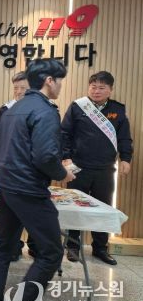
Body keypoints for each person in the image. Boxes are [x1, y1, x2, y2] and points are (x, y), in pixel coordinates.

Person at [0, 59, 75, 301]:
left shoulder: (15, 108)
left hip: (6, 186)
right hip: (28, 188)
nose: (60, 86)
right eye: (59, 80)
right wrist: (62, 173)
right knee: (51, 251)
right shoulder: (45, 111)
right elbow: (45, 156)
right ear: (49, 80)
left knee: (3, 246)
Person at [61, 71, 133, 265]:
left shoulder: (118, 110)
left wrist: (126, 159)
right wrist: (65, 157)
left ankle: (100, 248)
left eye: (102, 87)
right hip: (78, 168)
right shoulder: (78, 106)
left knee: (103, 208)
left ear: (110, 90)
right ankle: (73, 246)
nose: (96, 91)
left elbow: (124, 137)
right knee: (75, 207)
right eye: (93, 87)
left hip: (105, 169)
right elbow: (64, 133)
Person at [0, 71, 36, 261]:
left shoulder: (41, 110)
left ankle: (35, 246)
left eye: (22, 88)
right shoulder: (5, 109)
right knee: (9, 211)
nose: (18, 92)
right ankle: (13, 247)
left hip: (32, 171)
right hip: (8, 170)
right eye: (15, 88)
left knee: (33, 210)